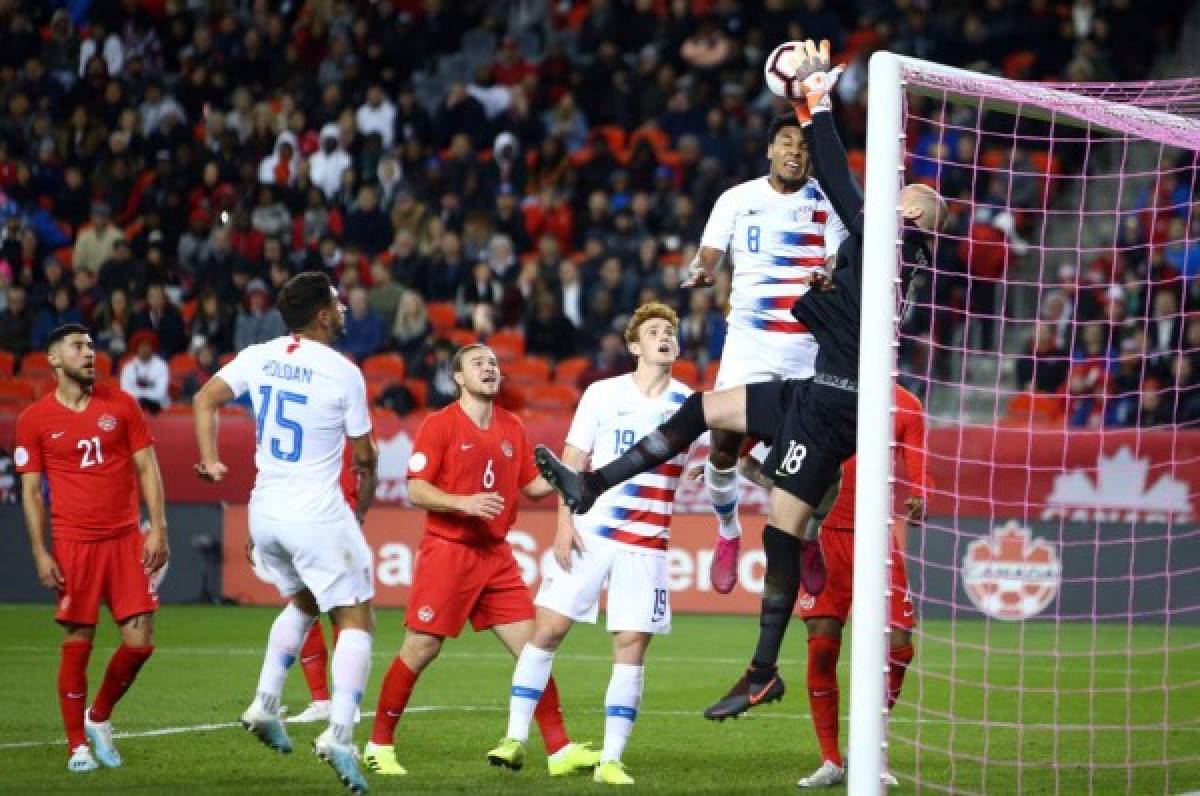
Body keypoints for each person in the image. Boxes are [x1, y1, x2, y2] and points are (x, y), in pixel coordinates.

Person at [532, 41, 946, 785]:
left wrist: (813, 103)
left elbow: (839, 178)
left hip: (828, 401)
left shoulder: (895, 236)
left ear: (919, 220)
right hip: (830, 396)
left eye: (914, 200)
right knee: (772, 518)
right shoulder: (880, 250)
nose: (903, 197)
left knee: (707, 419)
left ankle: (599, 489)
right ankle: (761, 669)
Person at [363, 343, 598, 779]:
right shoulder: (439, 425)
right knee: (421, 648)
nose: (489, 369)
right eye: (478, 364)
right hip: (448, 551)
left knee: (533, 650)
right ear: (458, 378)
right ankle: (378, 745)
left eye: (493, 363)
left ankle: (559, 749)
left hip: (496, 556)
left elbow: (530, 487)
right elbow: (416, 489)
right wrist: (463, 503)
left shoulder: (511, 426)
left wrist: (569, 475)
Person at [489, 303, 691, 786]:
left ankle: (611, 759)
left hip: (647, 543)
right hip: (592, 532)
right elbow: (571, 465)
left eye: (671, 332)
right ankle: (514, 738)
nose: (664, 337)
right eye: (654, 331)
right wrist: (564, 525)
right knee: (550, 630)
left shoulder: (689, 404)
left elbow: (710, 461)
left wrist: (709, 472)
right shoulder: (602, 394)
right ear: (635, 345)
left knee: (630, 644)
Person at [192, 271, 379, 793]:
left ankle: (265, 702)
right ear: (322, 315)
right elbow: (364, 457)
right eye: (337, 305)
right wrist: (360, 510)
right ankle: (339, 734)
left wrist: (209, 460)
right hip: (315, 512)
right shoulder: (343, 372)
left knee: (302, 604)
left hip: (265, 511)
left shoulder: (260, 355)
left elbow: (204, 399)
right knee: (357, 618)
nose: (342, 311)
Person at [681, 105, 847, 595]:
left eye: (804, 148)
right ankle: (728, 533)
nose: (796, 154)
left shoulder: (828, 202)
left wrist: (830, 275)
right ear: (771, 150)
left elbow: (838, 258)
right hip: (750, 344)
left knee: (819, 460)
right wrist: (702, 270)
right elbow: (709, 253)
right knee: (722, 446)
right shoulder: (736, 198)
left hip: (804, 345)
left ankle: (810, 535)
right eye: (788, 145)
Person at [738, 385, 926, 788]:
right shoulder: (818, 390)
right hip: (822, 533)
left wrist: (921, 493)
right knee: (822, 644)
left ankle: (867, 747)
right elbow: (756, 414)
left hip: (876, 536)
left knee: (900, 644)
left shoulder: (905, 404)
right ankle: (830, 759)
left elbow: (918, 460)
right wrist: (733, 459)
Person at [14, 322, 169, 772]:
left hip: (124, 540)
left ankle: (99, 718)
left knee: (139, 644)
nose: (88, 353)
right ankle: (77, 745)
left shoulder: (121, 404)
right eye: (77, 347)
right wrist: (41, 552)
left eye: (90, 346)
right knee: (79, 639)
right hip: (74, 544)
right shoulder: (34, 420)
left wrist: (158, 527)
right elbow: (30, 493)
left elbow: (147, 467)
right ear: (54, 359)